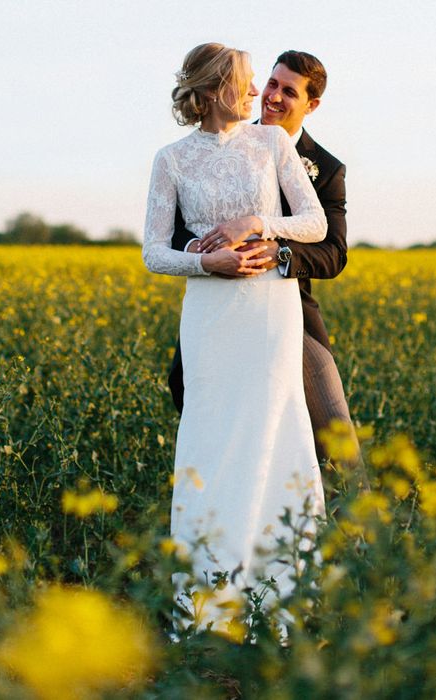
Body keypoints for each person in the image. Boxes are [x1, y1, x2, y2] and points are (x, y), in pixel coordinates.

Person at [142, 43, 327, 632]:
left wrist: (259, 224)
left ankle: (279, 597)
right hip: (210, 315)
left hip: (270, 314)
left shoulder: (271, 144)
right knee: (209, 442)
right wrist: (205, 265)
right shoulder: (170, 159)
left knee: (274, 437)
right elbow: (153, 252)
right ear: (214, 87)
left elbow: (315, 224)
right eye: (248, 82)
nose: (257, 94)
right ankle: (208, 605)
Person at [168, 50, 360, 468]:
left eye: (288, 91)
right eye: (271, 83)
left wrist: (278, 249)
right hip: (219, 306)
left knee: (332, 426)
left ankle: (357, 530)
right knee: (199, 406)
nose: (271, 96)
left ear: (312, 105)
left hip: (285, 311)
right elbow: (181, 226)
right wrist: (205, 252)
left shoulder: (326, 168)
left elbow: (334, 254)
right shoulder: (225, 142)